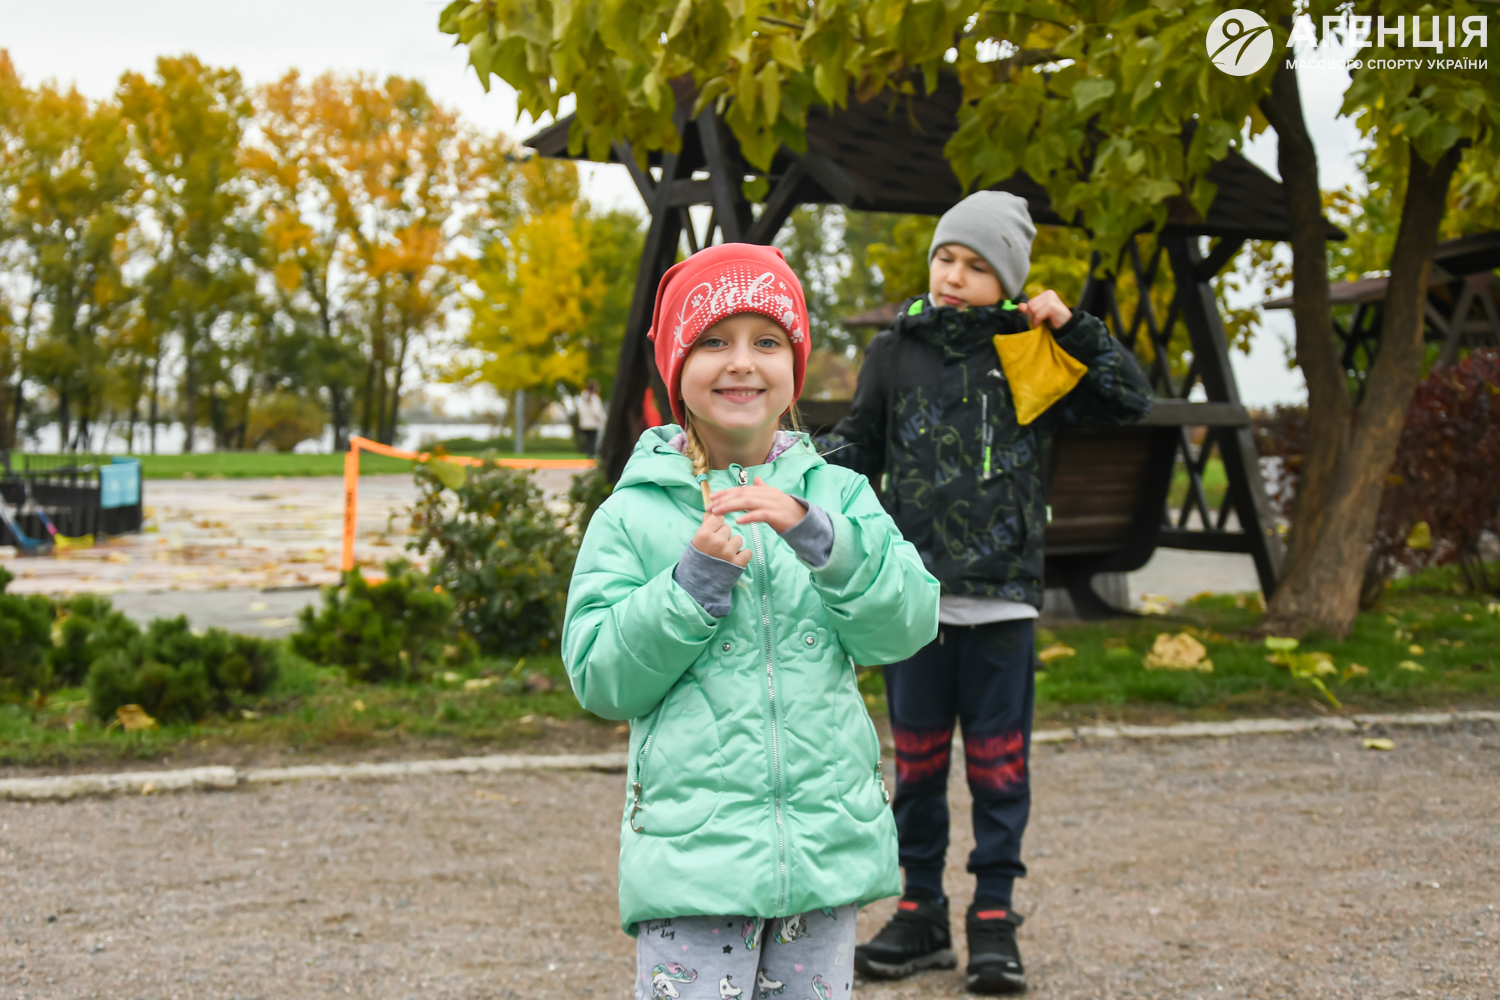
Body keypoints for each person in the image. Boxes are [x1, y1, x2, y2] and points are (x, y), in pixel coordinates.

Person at [562, 242, 939, 1000]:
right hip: (693, 859)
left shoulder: (841, 496)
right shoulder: (632, 514)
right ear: (676, 366)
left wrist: (826, 542)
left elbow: (906, 626)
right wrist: (688, 588)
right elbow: (600, 677)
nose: (741, 362)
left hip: (822, 848)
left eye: (767, 341)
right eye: (713, 342)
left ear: (795, 364)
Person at [824, 192, 1153, 994]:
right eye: (946, 257)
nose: (954, 275)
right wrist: (791, 469)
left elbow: (1129, 400)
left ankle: (995, 917)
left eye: (976, 266)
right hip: (915, 603)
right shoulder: (894, 350)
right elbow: (860, 445)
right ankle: (920, 912)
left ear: (1007, 282)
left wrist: (1074, 329)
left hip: (1002, 599)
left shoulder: (1030, 350)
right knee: (916, 769)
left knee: (999, 770)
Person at [577, 378, 606, 456]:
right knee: (593, 441)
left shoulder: (582, 398)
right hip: (593, 423)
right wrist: (602, 419)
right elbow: (596, 411)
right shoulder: (594, 398)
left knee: (589, 440)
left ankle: (589, 455)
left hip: (585, 423)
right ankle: (591, 455)